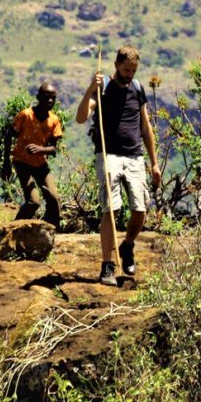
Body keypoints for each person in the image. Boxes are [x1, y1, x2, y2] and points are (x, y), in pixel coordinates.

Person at [74, 45, 161, 286]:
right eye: (126, 69)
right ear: (116, 66)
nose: (130, 73)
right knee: (111, 209)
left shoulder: (138, 88)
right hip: (108, 154)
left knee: (140, 209)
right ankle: (107, 265)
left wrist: (154, 163)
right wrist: (91, 88)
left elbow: (146, 128)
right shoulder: (102, 89)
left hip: (134, 156)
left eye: (133, 70)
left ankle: (128, 245)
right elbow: (81, 118)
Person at [5, 83, 62, 228]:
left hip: (40, 164)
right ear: (38, 98)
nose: (50, 101)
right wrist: (6, 162)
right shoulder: (26, 115)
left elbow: (53, 149)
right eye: (46, 97)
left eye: (53, 98)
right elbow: (8, 135)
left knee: (54, 198)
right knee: (34, 201)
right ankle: (15, 228)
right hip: (22, 162)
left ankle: (52, 230)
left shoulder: (54, 121)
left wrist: (40, 149)